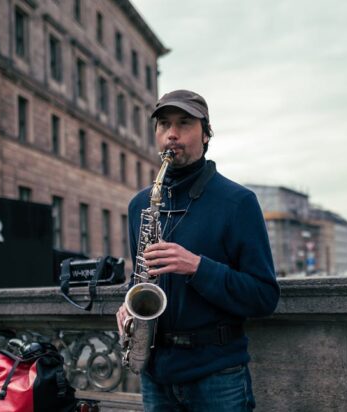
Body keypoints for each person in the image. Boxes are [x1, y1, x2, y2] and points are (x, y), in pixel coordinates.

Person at [116, 89, 280, 411]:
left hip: (217, 376)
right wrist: (128, 308)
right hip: (156, 374)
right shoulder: (139, 205)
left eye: (185, 124)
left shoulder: (238, 202)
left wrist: (196, 267)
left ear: (206, 135)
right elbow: (140, 281)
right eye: (164, 125)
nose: (172, 135)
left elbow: (264, 295)